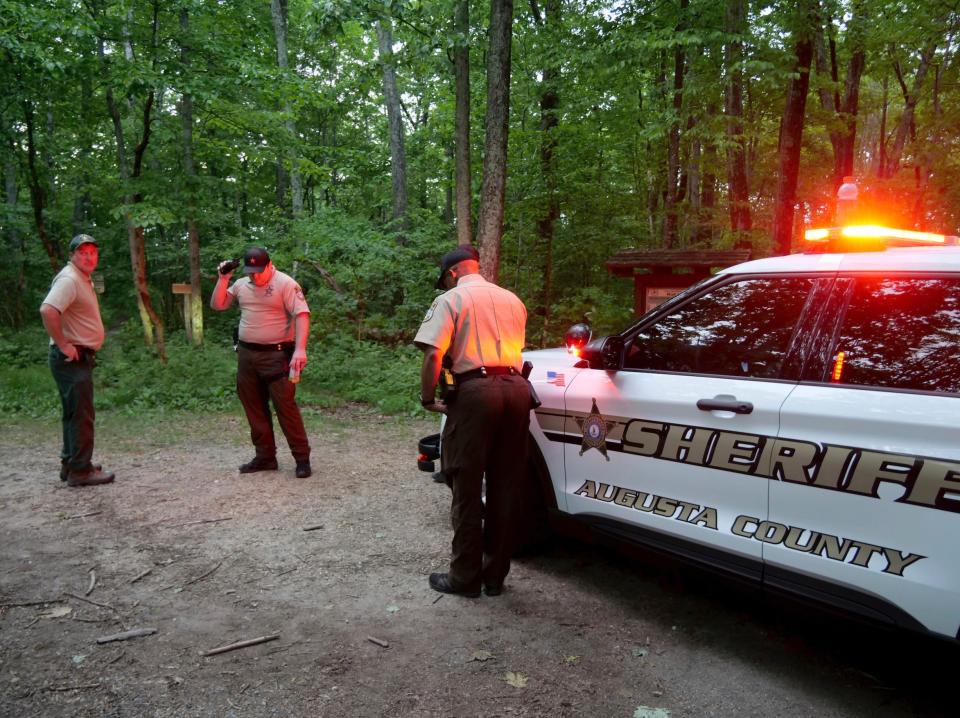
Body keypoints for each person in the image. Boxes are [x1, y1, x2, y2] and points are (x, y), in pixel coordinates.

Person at [414, 246, 530, 597]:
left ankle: (464, 578)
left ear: (452, 273)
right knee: (505, 486)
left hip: (476, 393)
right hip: (517, 390)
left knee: (465, 483)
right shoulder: (513, 300)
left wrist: (427, 398)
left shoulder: (451, 299)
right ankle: (494, 577)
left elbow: (435, 352)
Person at [211, 247, 312, 478]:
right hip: (247, 356)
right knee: (254, 407)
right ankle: (265, 457)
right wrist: (223, 278)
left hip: (277, 356)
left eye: (258, 271)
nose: (254, 276)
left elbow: (302, 314)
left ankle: (302, 458)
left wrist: (300, 350)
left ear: (269, 265)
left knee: (285, 408)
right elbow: (218, 305)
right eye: (250, 271)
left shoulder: (285, 284)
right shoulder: (241, 284)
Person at [40, 234, 115, 487]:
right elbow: (48, 310)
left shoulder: (82, 278)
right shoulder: (70, 279)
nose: (89, 257)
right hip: (71, 359)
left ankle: (71, 462)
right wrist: (62, 344)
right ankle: (80, 471)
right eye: (83, 252)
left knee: (74, 412)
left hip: (77, 358)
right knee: (81, 414)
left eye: (93, 252)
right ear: (72, 255)